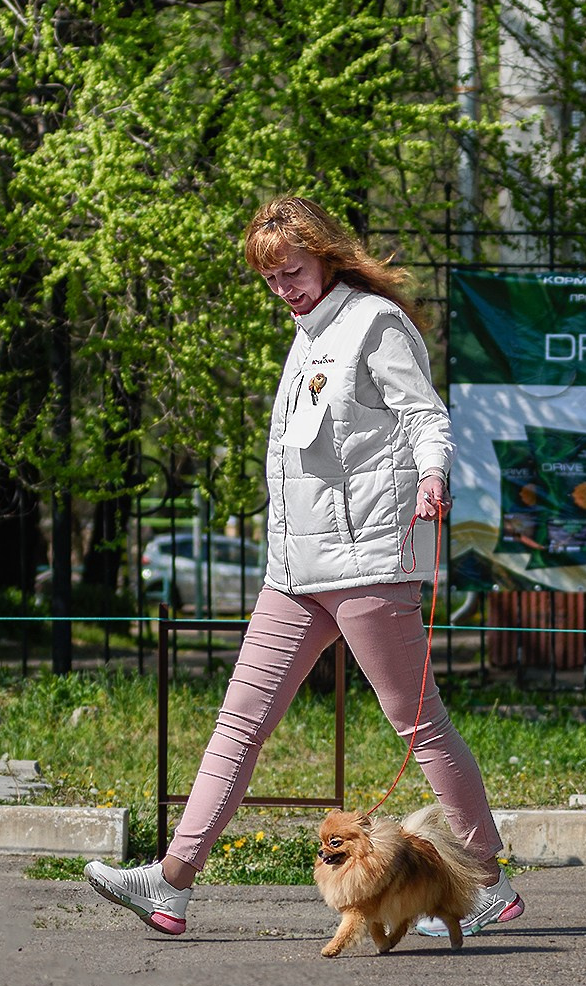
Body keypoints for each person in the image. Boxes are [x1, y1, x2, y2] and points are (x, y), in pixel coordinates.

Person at [85, 195, 523, 941]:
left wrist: (433, 475)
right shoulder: (306, 335)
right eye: (271, 278)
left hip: (368, 561)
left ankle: (485, 881)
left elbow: (424, 416)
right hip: (296, 568)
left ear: (325, 255)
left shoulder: (373, 323)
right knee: (238, 723)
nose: (285, 287)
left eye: (293, 270)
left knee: (418, 724)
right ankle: (172, 883)